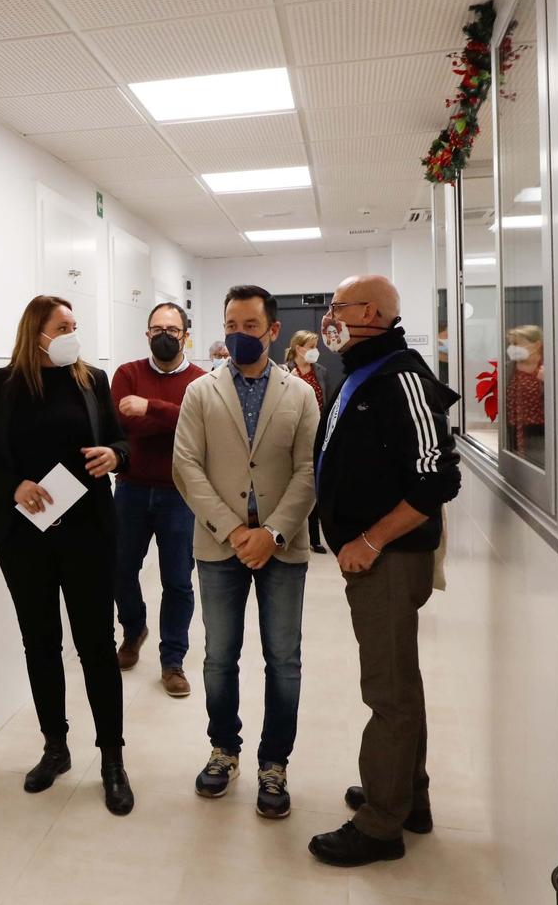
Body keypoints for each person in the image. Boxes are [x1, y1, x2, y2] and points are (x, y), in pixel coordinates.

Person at [0, 296, 135, 816]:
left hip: (88, 533)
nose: (71, 333)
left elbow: (120, 441)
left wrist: (115, 455)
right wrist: (13, 486)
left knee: (96, 646)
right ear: (36, 331)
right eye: (63, 326)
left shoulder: (91, 381)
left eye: (75, 325)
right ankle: (55, 748)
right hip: (23, 536)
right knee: (41, 643)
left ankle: (111, 761)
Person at [307, 275, 462, 867]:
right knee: (401, 682)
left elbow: (437, 480)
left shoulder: (403, 377)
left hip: (390, 560)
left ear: (371, 312)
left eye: (337, 306)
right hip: (374, 558)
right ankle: (405, 795)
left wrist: (369, 540)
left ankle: (379, 824)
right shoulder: (363, 370)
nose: (329, 317)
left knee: (388, 693)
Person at [171, 285, 318, 820]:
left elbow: (307, 472)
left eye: (250, 326)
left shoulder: (300, 394)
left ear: (273, 331)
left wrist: (272, 533)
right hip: (218, 544)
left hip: (282, 545)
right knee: (217, 658)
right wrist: (235, 531)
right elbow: (186, 465)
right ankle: (223, 749)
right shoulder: (200, 393)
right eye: (231, 324)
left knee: (283, 660)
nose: (239, 335)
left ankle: (274, 763)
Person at [109, 302, 207, 696]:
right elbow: (120, 422)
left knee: (178, 582)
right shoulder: (127, 374)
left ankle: (173, 661)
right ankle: (133, 630)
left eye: (172, 328)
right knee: (120, 570)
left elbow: (199, 425)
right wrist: (173, 419)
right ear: (146, 334)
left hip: (180, 494)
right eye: (156, 329)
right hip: (130, 489)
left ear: (186, 334)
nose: (164, 335)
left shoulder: (202, 381)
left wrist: (150, 407)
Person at [284, 331, 329, 554]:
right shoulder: (284, 371)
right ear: (298, 348)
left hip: (318, 435)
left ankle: (315, 538)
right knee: (295, 484)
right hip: (292, 436)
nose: (314, 350)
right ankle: (290, 530)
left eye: (315, 345)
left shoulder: (321, 372)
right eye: (310, 346)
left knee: (314, 483)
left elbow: (326, 402)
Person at [506, 324, 546, 459]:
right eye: (512, 344)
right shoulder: (509, 369)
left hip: (540, 434)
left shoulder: (550, 368)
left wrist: (547, 383)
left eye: (518, 344)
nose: (513, 348)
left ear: (536, 345)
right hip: (513, 433)